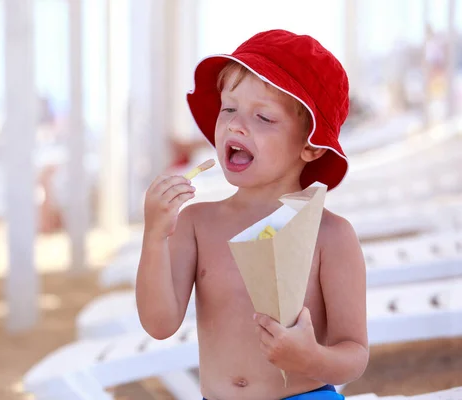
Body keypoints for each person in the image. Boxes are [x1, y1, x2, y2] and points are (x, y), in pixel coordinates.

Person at [136, 30, 368, 400]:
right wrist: (153, 236)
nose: (236, 124)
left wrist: (311, 358)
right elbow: (159, 324)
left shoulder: (331, 236)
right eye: (228, 108)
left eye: (263, 116)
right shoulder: (196, 224)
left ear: (310, 147)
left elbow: (354, 355)